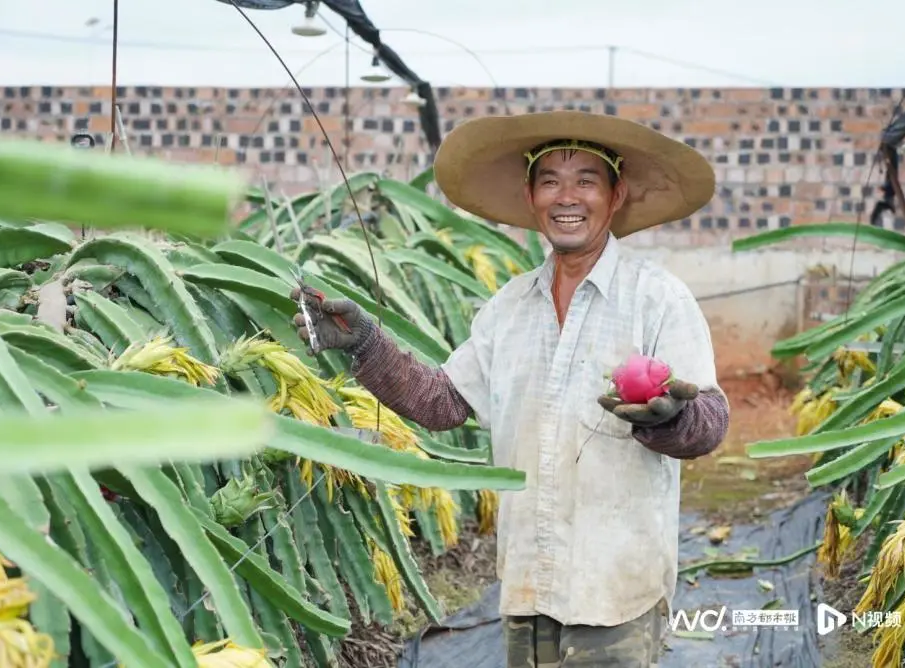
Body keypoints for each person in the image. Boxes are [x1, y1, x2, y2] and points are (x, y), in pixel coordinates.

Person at [290, 110, 730, 667]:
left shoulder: (658, 298)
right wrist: (365, 345)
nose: (566, 197)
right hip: (527, 584)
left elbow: (711, 420)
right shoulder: (509, 308)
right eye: (550, 180)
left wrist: (669, 422)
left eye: (586, 181)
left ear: (615, 195)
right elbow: (443, 402)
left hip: (615, 589)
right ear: (530, 197)